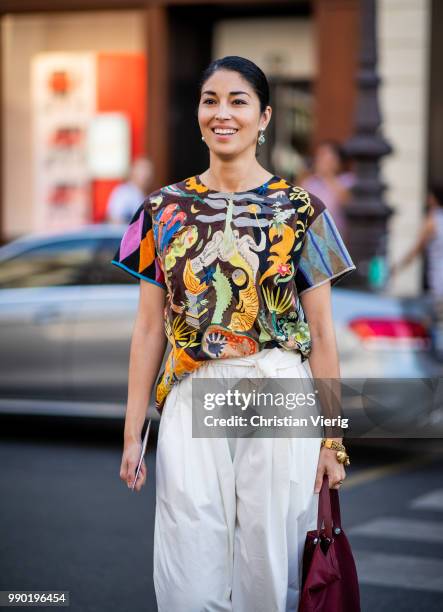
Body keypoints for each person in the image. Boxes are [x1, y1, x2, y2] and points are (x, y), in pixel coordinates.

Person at [111, 56, 356, 611]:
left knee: (265, 566)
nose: (222, 113)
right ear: (199, 113)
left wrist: (333, 440)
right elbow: (149, 327)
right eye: (210, 100)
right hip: (192, 391)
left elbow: (322, 332)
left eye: (238, 100)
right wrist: (132, 431)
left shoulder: (302, 210)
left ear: (265, 116)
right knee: (186, 567)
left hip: (276, 383)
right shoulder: (159, 210)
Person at [390, 185, 443, 361]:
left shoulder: (432, 220)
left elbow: (416, 249)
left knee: (434, 322)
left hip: (439, 281)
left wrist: (398, 267)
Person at [300, 140, 355, 242]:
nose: (320, 159)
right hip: (312, 238)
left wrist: (327, 176)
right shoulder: (311, 182)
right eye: (318, 156)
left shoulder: (347, 180)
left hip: (337, 238)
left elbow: (347, 201)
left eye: (325, 155)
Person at [106, 156, 153, 223]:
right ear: (133, 172)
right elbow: (115, 219)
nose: (146, 175)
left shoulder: (142, 194)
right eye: (142, 171)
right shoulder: (123, 193)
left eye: (148, 171)